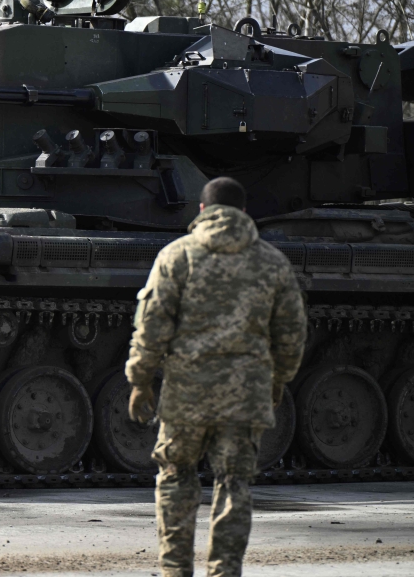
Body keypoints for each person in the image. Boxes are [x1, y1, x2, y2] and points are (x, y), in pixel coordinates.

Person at [125, 176, 306, 577]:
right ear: (243, 213)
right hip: (245, 395)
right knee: (234, 483)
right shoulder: (272, 262)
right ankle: (224, 572)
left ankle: (174, 570)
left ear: (202, 210)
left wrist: (140, 380)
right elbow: (291, 336)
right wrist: (278, 380)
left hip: (186, 394)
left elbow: (152, 326)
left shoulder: (177, 256)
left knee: (175, 476)